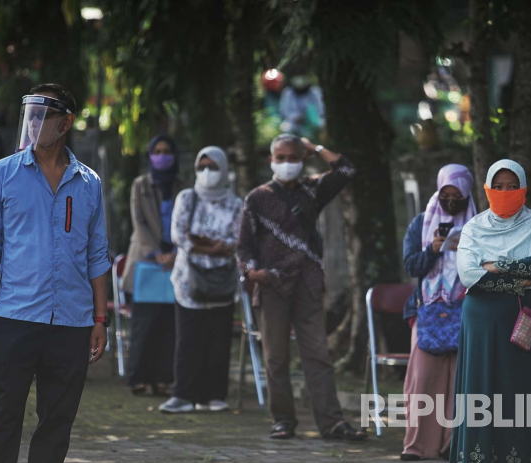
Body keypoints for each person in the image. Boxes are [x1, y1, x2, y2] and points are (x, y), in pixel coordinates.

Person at [0, 83, 111, 463]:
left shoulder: (89, 183)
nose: (34, 122)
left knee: (57, 419)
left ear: (65, 123)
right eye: (30, 112)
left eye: (44, 114)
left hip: (71, 320)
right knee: (2, 413)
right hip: (15, 316)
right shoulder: (2, 174)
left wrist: (101, 318)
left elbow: (98, 254)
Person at [446, 159, 531, 463]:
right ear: (487, 188)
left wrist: (498, 266)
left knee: (530, 393)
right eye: (497, 186)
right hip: (483, 325)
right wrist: (521, 280)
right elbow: (470, 275)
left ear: (523, 188)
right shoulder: (473, 228)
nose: (504, 192)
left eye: (510, 185)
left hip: (528, 322)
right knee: (485, 394)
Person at [236, 134, 366, 441]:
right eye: (280, 158)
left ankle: (331, 422)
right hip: (271, 285)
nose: (286, 164)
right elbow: (244, 245)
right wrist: (254, 272)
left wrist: (315, 147)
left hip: (307, 282)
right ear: (271, 161)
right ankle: (282, 420)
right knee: (276, 357)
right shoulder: (257, 198)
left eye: (293, 157)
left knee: (317, 355)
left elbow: (346, 170)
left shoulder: (312, 189)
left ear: (302, 160)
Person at [400, 164, 477, 461]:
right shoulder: (422, 223)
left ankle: (451, 445)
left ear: (467, 193)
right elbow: (411, 266)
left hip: (465, 308)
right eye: (445, 193)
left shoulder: (479, 224)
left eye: (457, 194)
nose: (451, 199)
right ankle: (417, 446)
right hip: (429, 310)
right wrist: (433, 249)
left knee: (459, 381)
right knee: (423, 379)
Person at [160, 147, 242, 413]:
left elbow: (238, 239)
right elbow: (179, 235)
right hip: (189, 280)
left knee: (218, 337)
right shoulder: (187, 198)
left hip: (222, 280)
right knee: (188, 337)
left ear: (224, 169)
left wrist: (209, 245)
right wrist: (213, 248)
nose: (208, 173)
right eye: (202, 167)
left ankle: (214, 395)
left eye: (213, 167)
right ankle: (183, 394)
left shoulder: (235, 203)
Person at [120, 135, 180, 397]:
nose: (162, 155)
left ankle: (163, 379)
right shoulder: (140, 185)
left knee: (169, 325)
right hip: (146, 261)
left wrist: (176, 253)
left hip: (176, 262)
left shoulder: (182, 186)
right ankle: (139, 378)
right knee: (144, 324)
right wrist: (156, 253)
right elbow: (139, 222)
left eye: (167, 151)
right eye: (157, 151)